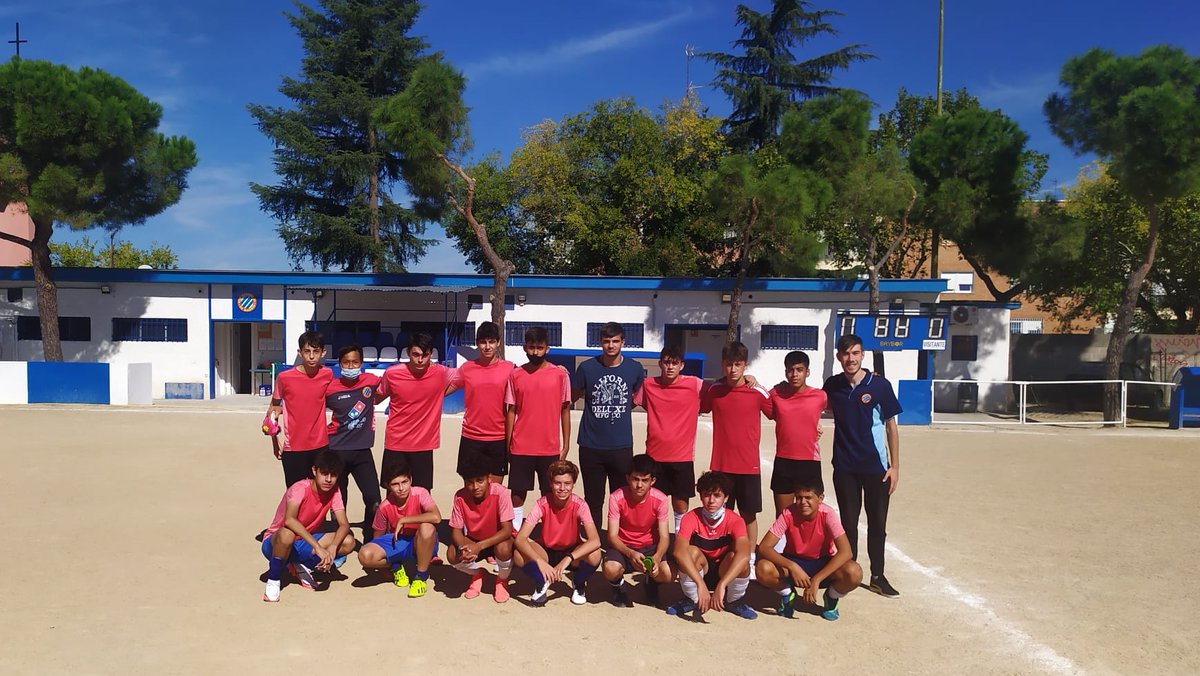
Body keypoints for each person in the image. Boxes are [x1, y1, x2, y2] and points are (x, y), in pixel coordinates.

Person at [822, 334, 902, 598]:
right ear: (838, 357)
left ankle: (877, 576)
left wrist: (895, 467)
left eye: (855, 353)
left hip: (876, 468)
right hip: (845, 467)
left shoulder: (879, 385)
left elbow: (891, 426)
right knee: (847, 523)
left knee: (877, 523)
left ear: (862, 355)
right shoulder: (832, 385)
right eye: (845, 354)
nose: (850, 359)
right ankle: (847, 571)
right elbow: (814, 404)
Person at [699, 341, 770, 558]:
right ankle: (725, 553)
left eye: (738, 365)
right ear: (722, 365)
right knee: (721, 513)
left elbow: (781, 411)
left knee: (748, 515)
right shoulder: (715, 390)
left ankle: (749, 557)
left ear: (745, 365)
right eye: (729, 364)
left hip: (749, 466)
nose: (733, 370)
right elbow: (701, 404)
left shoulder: (757, 391)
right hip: (721, 466)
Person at [755, 478, 862, 621]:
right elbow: (764, 547)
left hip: (821, 562)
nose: (803, 502)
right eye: (799, 498)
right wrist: (792, 566)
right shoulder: (788, 513)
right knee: (763, 568)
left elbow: (846, 552)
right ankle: (787, 593)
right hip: (794, 561)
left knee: (854, 572)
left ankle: (832, 597)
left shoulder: (827, 514)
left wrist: (817, 580)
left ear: (820, 498)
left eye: (808, 498)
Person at [572, 322, 645, 526]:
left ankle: (616, 543)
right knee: (593, 500)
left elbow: (636, 398)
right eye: (606, 341)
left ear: (623, 342)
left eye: (615, 341)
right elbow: (571, 395)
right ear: (600, 343)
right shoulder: (587, 368)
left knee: (621, 499)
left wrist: (618, 409)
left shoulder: (635, 368)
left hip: (620, 446)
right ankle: (593, 544)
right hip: (590, 445)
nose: (610, 345)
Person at [260, 450, 355, 602]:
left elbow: (344, 524)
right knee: (287, 535)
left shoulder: (335, 491)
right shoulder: (299, 488)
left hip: (303, 542)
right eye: (324, 473)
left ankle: (301, 565)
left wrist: (333, 547)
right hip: (276, 543)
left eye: (334, 475)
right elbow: (289, 520)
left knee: (348, 541)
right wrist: (318, 548)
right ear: (314, 470)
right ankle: (274, 580)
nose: (329, 480)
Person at [504, 326, 571, 531]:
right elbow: (511, 411)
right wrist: (508, 444)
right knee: (518, 492)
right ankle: (515, 530)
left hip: (549, 447)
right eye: (531, 347)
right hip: (521, 446)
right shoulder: (516, 375)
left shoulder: (560, 375)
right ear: (525, 348)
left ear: (547, 348)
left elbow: (565, 410)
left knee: (549, 493)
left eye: (539, 348)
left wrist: (566, 444)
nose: (535, 352)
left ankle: (549, 531)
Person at [633, 345, 704, 533]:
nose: (670, 367)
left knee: (680, 504)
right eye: (666, 362)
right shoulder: (648, 385)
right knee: (656, 505)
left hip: (682, 457)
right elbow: (628, 402)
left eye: (675, 363)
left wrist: (748, 378)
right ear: (660, 364)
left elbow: (723, 386)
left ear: (682, 365)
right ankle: (657, 541)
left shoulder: (695, 384)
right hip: (655, 457)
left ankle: (679, 541)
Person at [376, 332, 459, 491]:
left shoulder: (441, 373)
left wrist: (437, 394)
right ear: (408, 353)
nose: (420, 360)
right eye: (416, 355)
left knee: (422, 496)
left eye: (425, 355)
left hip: (423, 446)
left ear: (431, 354)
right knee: (394, 496)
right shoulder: (392, 374)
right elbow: (376, 398)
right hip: (396, 445)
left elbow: (467, 377)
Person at [669, 471, 756, 620]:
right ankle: (692, 599)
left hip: (725, 572)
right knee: (690, 552)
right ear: (701, 496)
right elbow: (678, 552)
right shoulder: (691, 517)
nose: (711, 500)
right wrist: (700, 584)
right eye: (707, 495)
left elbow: (744, 554)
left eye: (717, 496)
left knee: (740, 559)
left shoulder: (735, 520)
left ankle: (734, 601)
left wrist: (722, 585)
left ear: (726, 498)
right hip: (701, 570)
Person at [514, 460, 602, 606]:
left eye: (567, 483)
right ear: (550, 483)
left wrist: (567, 559)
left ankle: (579, 583)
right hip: (546, 550)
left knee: (595, 553)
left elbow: (595, 540)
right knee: (518, 554)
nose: (562, 488)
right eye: (557, 483)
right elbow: (520, 539)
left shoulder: (580, 505)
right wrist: (540, 562)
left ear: (573, 484)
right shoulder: (541, 503)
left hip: (572, 551)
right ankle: (541, 581)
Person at [356, 456, 441, 598]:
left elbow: (436, 517)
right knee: (365, 555)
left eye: (404, 482)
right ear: (388, 486)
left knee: (427, 527)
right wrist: (385, 568)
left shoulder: (420, 493)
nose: (401, 488)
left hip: (422, 541)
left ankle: (420, 576)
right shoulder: (384, 506)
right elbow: (378, 537)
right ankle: (396, 566)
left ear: (411, 480)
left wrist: (404, 520)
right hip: (399, 541)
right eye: (395, 484)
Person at [325, 344, 382, 542]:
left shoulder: (372, 381)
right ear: (339, 364)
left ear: (362, 363)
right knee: (339, 503)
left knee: (374, 499)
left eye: (355, 362)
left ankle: (371, 539)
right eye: (346, 363)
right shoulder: (329, 387)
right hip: (336, 451)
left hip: (362, 453)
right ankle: (339, 541)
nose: (351, 366)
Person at [602, 454, 673, 608]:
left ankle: (651, 583)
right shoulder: (616, 497)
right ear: (628, 478)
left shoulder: (660, 499)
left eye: (645, 480)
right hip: (624, 547)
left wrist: (657, 557)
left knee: (667, 574)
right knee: (610, 569)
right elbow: (612, 536)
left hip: (650, 547)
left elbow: (665, 537)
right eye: (635, 479)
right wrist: (630, 553)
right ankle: (618, 587)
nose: (639, 485)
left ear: (652, 481)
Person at [765, 350, 828, 517]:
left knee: (809, 515)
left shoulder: (820, 396)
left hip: (809, 462)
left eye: (799, 370)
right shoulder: (776, 394)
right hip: (784, 462)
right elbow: (758, 399)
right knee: (783, 516)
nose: (794, 374)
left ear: (807, 372)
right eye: (790, 370)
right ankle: (784, 545)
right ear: (785, 372)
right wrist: (752, 380)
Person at [451, 322, 514, 483]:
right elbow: (442, 389)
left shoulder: (509, 369)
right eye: (483, 342)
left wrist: (557, 369)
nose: (487, 346)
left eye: (491, 341)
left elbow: (531, 378)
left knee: (495, 492)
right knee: (472, 490)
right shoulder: (467, 368)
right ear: (477, 343)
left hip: (498, 438)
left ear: (498, 343)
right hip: (471, 437)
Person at [269, 331, 333, 487]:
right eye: (307, 351)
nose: (311, 356)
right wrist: (274, 439)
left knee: (320, 495)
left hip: (321, 446)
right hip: (293, 449)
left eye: (316, 351)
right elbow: (274, 406)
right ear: (300, 352)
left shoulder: (327, 375)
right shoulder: (285, 378)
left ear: (323, 353)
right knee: (295, 498)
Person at [446, 461, 517, 603]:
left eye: (480, 481)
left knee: (503, 548)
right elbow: (456, 531)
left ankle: (502, 581)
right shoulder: (460, 497)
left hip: (498, 539)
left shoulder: (500, 492)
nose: (475, 487)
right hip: (474, 538)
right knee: (452, 554)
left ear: (489, 479)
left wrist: (479, 547)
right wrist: (463, 548)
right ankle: (477, 574)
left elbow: (507, 530)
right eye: (470, 482)